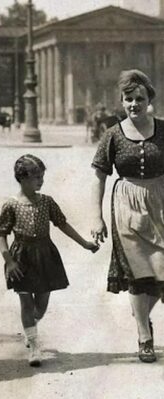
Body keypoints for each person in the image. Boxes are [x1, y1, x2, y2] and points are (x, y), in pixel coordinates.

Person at [0, 155, 98, 367]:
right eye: (36, 177)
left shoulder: (47, 201)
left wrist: (85, 244)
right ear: (22, 178)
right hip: (21, 258)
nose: (41, 181)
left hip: (45, 255)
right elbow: (1, 235)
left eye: (42, 177)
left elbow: (63, 224)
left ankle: (30, 327)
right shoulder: (11, 205)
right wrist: (10, 262)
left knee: (40, 307)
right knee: (25, 302)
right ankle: (34, 345)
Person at [91, 69, 164, 363]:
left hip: (160, 203)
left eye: (139, 98)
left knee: (160, 272)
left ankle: (142, 318)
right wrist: (96, 217)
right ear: (121, 102)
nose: (134, 104)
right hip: (126, 205)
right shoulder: (112, 134)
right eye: (128, 99)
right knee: (137, 274)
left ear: (149, 100)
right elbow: (98, 176)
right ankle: (144, 336)